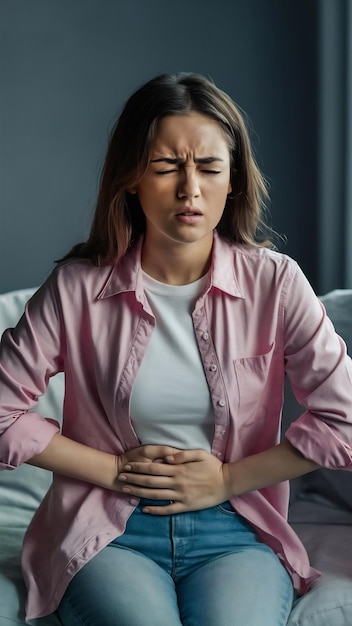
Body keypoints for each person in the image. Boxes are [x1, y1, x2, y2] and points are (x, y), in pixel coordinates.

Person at [0, 72, 352, 626]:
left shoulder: (277, 283)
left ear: (233, 180)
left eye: (209, 168)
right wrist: (113, 470)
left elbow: (344, 419)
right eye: (166, 167)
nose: (190, 189)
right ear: (132, 179)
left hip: (237, 530)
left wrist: (229, 480)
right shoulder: (76, 287)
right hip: (107, 533)